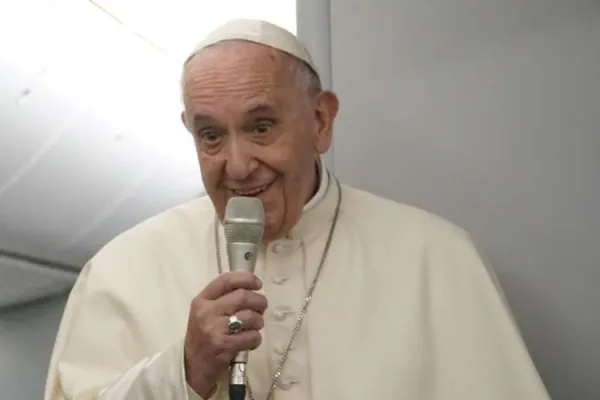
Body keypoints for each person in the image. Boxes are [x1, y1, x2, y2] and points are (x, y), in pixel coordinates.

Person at [44, 18, 551, 400]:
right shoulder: (121, 267)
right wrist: (183, 371)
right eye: (211, 136)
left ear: (320, 121)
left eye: (261, 127)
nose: (238, 167)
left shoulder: (436, 257)